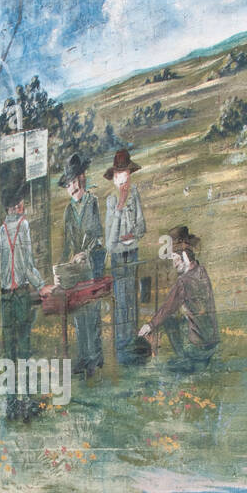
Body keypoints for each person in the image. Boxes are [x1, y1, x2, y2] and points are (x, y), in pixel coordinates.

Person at [0, 166, 45, 419]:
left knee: (9, 351)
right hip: (21, 296)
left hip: (6, 296)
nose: (23, 203)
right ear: (15, 205)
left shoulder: (1, 230)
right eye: (21, 200)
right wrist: (41, 285)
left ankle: (10, 404)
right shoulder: (23, 226)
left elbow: (5, 268)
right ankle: (26, 403)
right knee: (24, 349)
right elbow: (26, 265)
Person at [139, 226, 219, 372]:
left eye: (176, 259)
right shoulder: (202, 272)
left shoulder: (183, 281)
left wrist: (149, 326)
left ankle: (185, 358)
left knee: (169, 320)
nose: (174, 264)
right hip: (212, 346)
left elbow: (167, 308)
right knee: (180, 317)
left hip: (198, 350)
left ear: (185, 256)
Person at [57, 153, 105, 377]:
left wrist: (84, 253)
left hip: (92, 262)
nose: (73, 187)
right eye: (68, 184)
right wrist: (66, 261)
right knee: (78, 310)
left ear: (82, 179)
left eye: (75, 182)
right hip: (76, 267)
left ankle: (94, 359)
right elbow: (67, 242)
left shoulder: (92, 202)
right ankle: (83, 356)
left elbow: (96, 233)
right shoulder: (68, 211)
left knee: (91, 310)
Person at [103, 148, 146, 364]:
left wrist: (134, 233)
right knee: (121, 299)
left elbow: (141, 225)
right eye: (119, 177)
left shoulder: (135, 194)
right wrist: (119, 209)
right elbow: (110, 241)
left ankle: (132, 342)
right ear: (114, 178)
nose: (124, 182)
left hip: (133, 251)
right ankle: (121, 346)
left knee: (133, 297)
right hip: (119, 256)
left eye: (126, 176)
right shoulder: (111, 202)